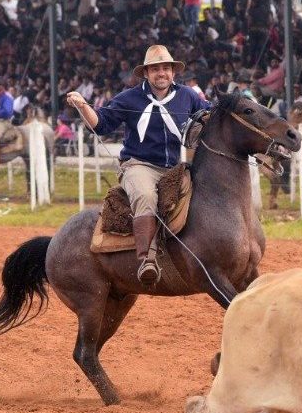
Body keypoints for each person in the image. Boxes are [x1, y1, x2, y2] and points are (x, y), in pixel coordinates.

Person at [64, 45, 210, 286]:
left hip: (175, 167)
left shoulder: (188, 96)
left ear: (173, 72)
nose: (161, 73)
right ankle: (147, 260)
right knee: (145, 195)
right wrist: (82, 105)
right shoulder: (129, 97)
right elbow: (101, 124)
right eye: (155, 69)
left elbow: (210, 114)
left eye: (165, 68)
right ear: (146, 73)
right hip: (139, 165)